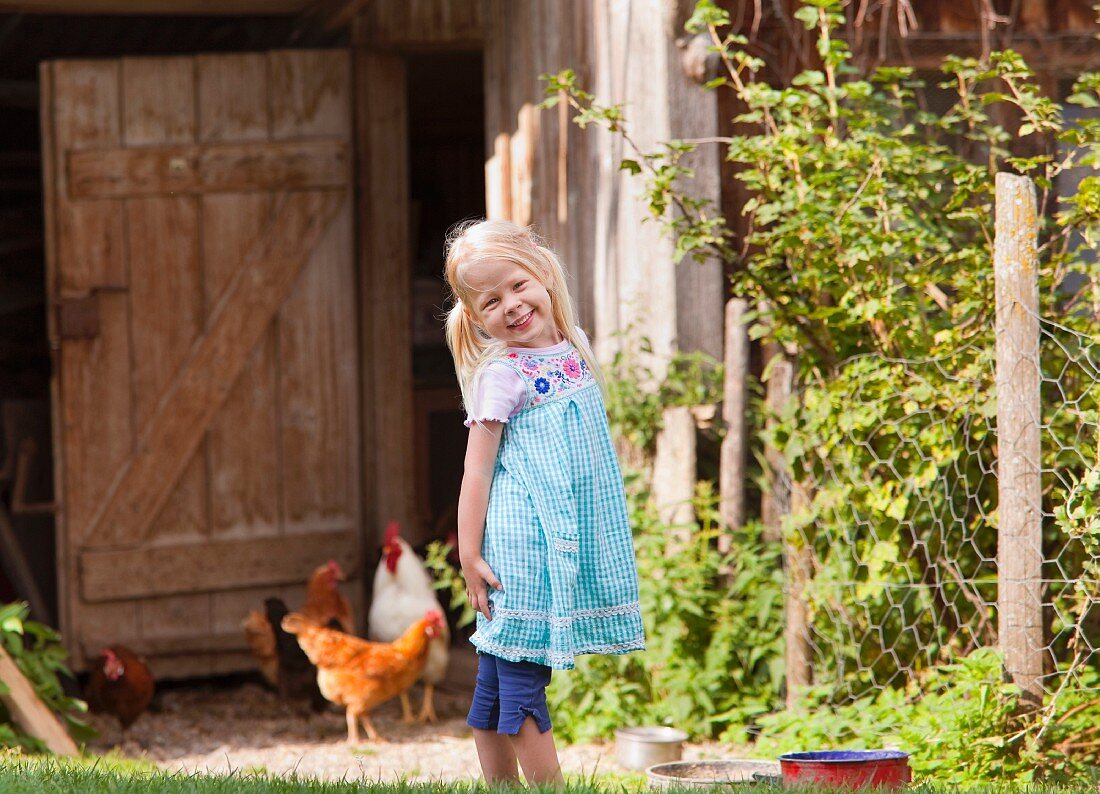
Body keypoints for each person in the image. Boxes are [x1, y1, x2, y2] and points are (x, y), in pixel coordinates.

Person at [443, 219, 646, 786]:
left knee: (497, 672)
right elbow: (475, 472)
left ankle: (502, 788)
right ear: (474, 314)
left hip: (559, 532)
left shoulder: (573, 345)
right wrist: (469, 553)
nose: (510, 306)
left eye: (517, 286)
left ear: (541, 269)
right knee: (522, 674)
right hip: (522, 544)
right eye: (490, 301)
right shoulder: (502, 377)